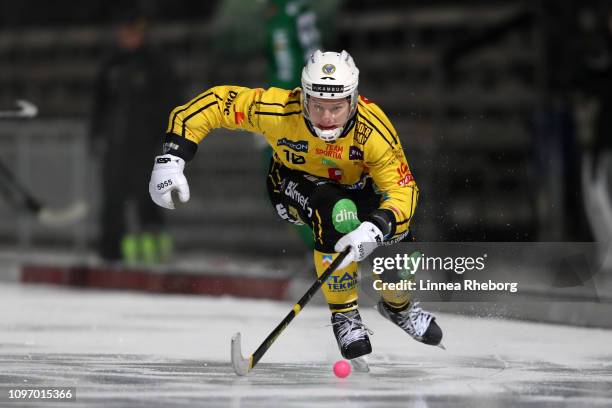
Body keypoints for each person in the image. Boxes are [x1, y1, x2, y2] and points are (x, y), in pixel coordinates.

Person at [148, 50, 443, 359]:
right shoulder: (278, 110)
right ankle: (344, 315)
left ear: (353, 101)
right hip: (292, 183)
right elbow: (217, 104)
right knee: (336, 211)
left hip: (360, 188)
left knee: (401, 244)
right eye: (317, 107)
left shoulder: (374, 132)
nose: (327, 119)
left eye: (337, 108)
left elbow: (403, 189)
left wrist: (377, 226)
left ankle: (400, 307)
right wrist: (172, 156)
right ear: (303, 99)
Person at [90, 12, 177, 263]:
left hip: (146, 143)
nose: (127, 38)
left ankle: (154, 250)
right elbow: (100, 104)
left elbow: (170, 101)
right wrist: (96, 135)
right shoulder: (111, 63)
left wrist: (166, 139)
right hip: (116, 143)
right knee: (113, 197)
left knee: (147, 196)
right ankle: (111, 251)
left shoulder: (155, 63)